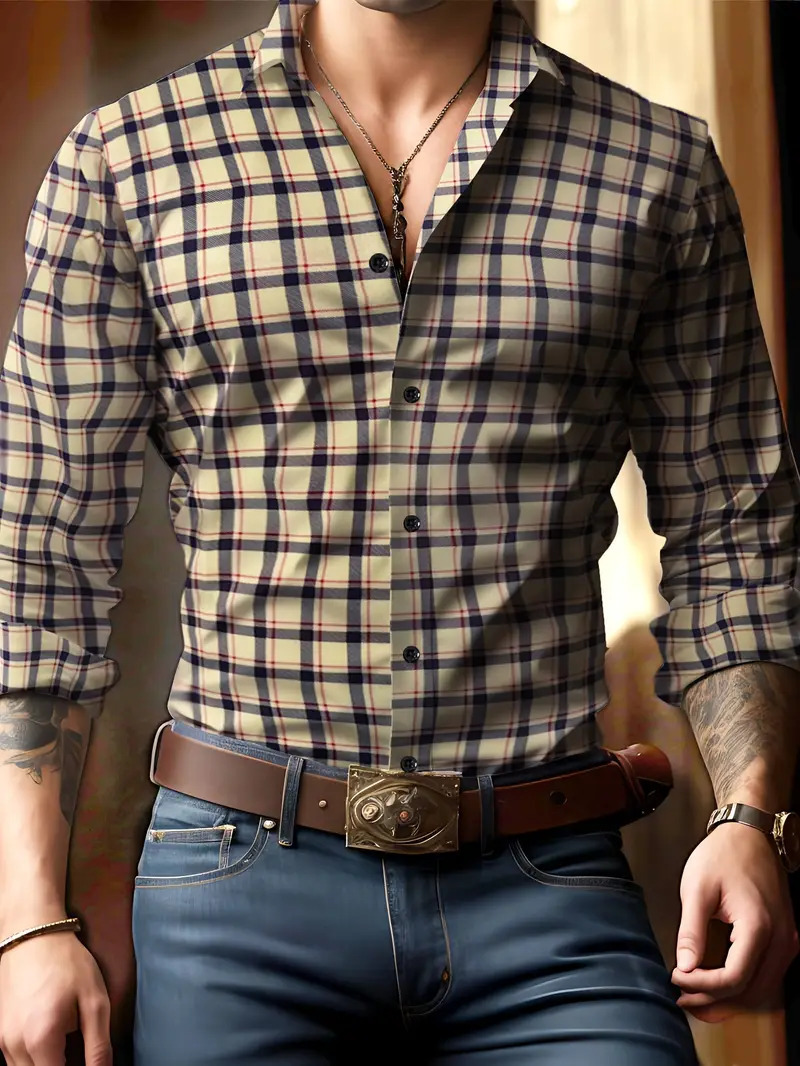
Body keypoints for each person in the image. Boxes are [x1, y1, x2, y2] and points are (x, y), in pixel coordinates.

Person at [1, 0, 799, 1062]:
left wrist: (751, 819)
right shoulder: (129, 159)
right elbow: (40, 560)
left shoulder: (655, 168)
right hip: (236, 899)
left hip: (550, 891)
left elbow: (733, 536)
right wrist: (28, 919)